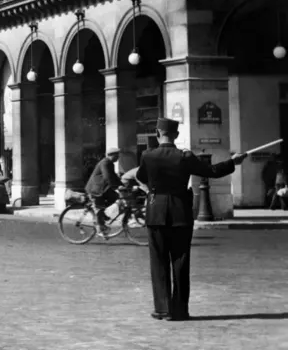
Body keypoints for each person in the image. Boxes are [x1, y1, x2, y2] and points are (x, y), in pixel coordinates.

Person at [136, 118, 247, 321]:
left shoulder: (148, 155)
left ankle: (162, 308)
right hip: (180, 212)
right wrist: (234, 162)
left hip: (155, 211)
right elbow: (212, 172)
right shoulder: (185, 156)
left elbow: (142, 177)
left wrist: (152, 188)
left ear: (157, 133)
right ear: (176, 135)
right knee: (180, 261)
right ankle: (179, 310)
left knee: (158, 261)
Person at [85, 148, 122, 233]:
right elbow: (107, 177)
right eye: (116, 155)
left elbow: (114, 176)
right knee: (99, 206)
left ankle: (102, 213)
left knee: (115, 196)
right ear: (110, 155)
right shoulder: (105, 162)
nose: (118, 157)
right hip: (95, 189)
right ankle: (100, 227)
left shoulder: (110, 163)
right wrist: (115, 187)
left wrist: (122, 185)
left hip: (102, 188)